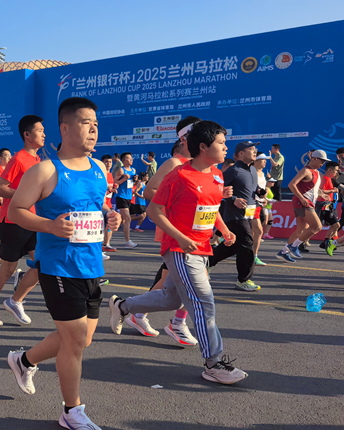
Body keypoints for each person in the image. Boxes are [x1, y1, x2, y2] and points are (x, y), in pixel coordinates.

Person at [4, 97, 120, 430]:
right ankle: (72, 411)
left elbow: (96, 208)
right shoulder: (46, 170)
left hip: (91, 265)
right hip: (59, 266)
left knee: (83, 339)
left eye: (96, 124)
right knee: (74, 341)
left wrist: (109, 217)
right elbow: (15, 211)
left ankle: (24, 360)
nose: (93, 130)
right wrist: (50, 226)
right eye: (86, 123)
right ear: (65, 128)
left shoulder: (99, 169)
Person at [109, 120, 248, 384]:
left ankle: (123, 306)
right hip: (180, 249)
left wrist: (224, 229)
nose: (225, 147)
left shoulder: (217, 174)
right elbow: (153, 211)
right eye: (221, 143)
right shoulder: (179, 175)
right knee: (203, 301)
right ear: (203, 147)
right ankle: (214, 363)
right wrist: (181, 238)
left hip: (202, 247)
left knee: (171, 299)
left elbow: (211, 208)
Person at [0, 115, 45, 326]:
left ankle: (15, 301)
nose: (44, 134)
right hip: (13, 220)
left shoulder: (38, 160)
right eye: (40, 131)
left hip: (32, 219)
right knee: (8, 268)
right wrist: (26, 194)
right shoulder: (18, 159)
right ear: (27, 135)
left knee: (43, 264)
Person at [207, 140, 260, 292]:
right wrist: (233, 199)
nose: (255, 151)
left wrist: (259, 191)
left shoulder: (253, 170)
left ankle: (208, 262)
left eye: (255, 149)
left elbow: (251, 187)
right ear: (241, 153)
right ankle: (243, 280)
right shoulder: (233, 170)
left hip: (248, 214)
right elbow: (216, 188)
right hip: (234, 215)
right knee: (247, 244)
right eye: (251, 149)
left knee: (235, 245)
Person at [276, 150, 329, 262]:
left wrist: (322, 194)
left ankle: (284, 252)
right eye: (322, 161)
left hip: (308, 202)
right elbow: (291, 184)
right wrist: (301, 198)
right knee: (317, 226)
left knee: (300, 231)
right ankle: (294, 246)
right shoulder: (305, 171)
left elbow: (312, 189)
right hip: (302, 203)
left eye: (324, 162)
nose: (323, 164)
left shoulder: (317, 173)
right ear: (314, 158)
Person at [113, 152, 137, 248]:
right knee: (127, 218)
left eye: (131, 158)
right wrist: (123, 179)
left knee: (123, 219)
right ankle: (128, 241)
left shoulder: (133, 170)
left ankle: (108, 234)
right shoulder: (121, 170)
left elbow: (132, 184)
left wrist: (135, 180)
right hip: (121, 196)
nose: (131, 160)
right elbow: (114, 183)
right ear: (123, 160)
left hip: (129, 197)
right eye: (129, 159)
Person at [315, 161, 341, 255]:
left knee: (335, 225)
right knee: (316, 227)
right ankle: (300, 242)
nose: (337, 173)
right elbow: (320, 191)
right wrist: (332, 190)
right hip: (323, 205)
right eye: (336, 171)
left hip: (328, 205)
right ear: (330, 170)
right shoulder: (325, 178)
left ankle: (326, 242)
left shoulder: (329, 179)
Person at [100, 155, 117, 255]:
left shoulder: (110, 174)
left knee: (111, 223)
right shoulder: (100, 174)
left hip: (108, 203)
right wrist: (109, 191)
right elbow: (99, 192)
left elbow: (109, 189)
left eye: (110, 162)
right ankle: (101, 246)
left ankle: (106, 244)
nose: (108, 164)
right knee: (100, 226)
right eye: (106, 162)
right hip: (101, 204)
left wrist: (114, 187)